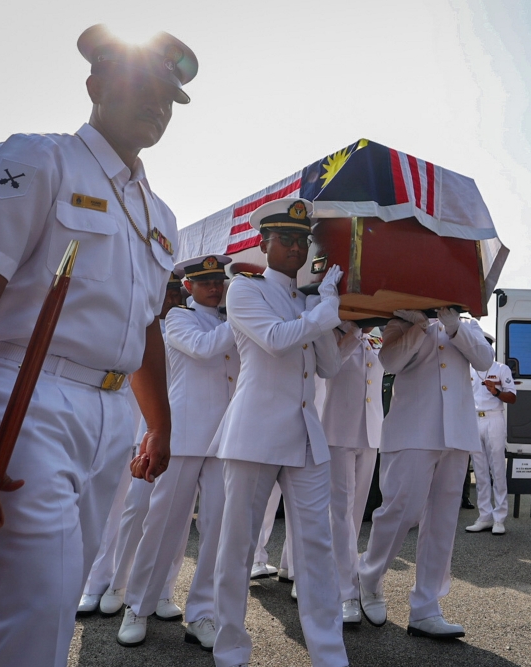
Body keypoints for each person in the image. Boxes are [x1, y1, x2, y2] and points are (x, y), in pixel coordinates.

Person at [0, 25, 195, 666]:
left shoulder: (161, 216)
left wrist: (160, 423)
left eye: (167, 97)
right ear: (95, 87)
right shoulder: (37, 158)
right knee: (33, 610)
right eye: (139, 87)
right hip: (26, 395)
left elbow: (147, 326)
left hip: (111, 414)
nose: (155, 105)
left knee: (55, 601)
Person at [209, 197, 348, 667]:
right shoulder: (244, 291)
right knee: (237, 546)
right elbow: (273, 341)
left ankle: (329, 654)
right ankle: (229, 651)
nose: (295, 247)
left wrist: (343, 324)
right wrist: (326, 307)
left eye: (302, 240)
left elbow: (328, 366)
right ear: (263, 243)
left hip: (305, 436)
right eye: (285, 239)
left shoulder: (306, 299)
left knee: (317, 549)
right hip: (255, 433)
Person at [117, 255, 236, 650]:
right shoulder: (181, 320)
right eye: (205, 282)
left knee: (218, 529)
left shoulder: (228, 321)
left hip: (223, 439)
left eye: (219, 280)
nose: (214, 288)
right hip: (183, 437)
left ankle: (202, 612)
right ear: (189, 287)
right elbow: (204, 349)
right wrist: (245, 314)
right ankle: (138, 606)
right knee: (163, 525)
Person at [358, 308, 494, 638]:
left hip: (456, 433)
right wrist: (419, 324)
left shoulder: (466, 325)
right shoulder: (400, 322)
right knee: (401, 510)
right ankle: (369, 575)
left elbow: (485, 359)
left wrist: (453, 325)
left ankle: (426, 606)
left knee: (442, 522)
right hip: (412, 431)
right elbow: (391, 361)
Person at [79, 276, 186, 619]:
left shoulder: (184, 326)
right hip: (123, 423)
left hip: (161, 431)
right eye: (165, 291)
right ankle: (100, 583)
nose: (170, 298)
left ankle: (155, 589)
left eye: (175, 292)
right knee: (115, 510)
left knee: (166, 517)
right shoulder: (127, 319)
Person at [322, 323, 384, 623]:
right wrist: (354, 333)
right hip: (337, 429)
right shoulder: (333, 332)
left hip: (370, 432)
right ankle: (346, 591)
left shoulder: (376, 335)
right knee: (340, 514)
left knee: (356, 514)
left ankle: (342, 577)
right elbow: (329, 367)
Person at [465, 334, 516, 536]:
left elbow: (512, 397)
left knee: (497, 469)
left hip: (494, 419)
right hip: (473, 419)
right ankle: (484, 516)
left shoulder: (501, 369)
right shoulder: (467, 369)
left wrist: (496, 392)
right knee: (480, 471)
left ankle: (499, 518)